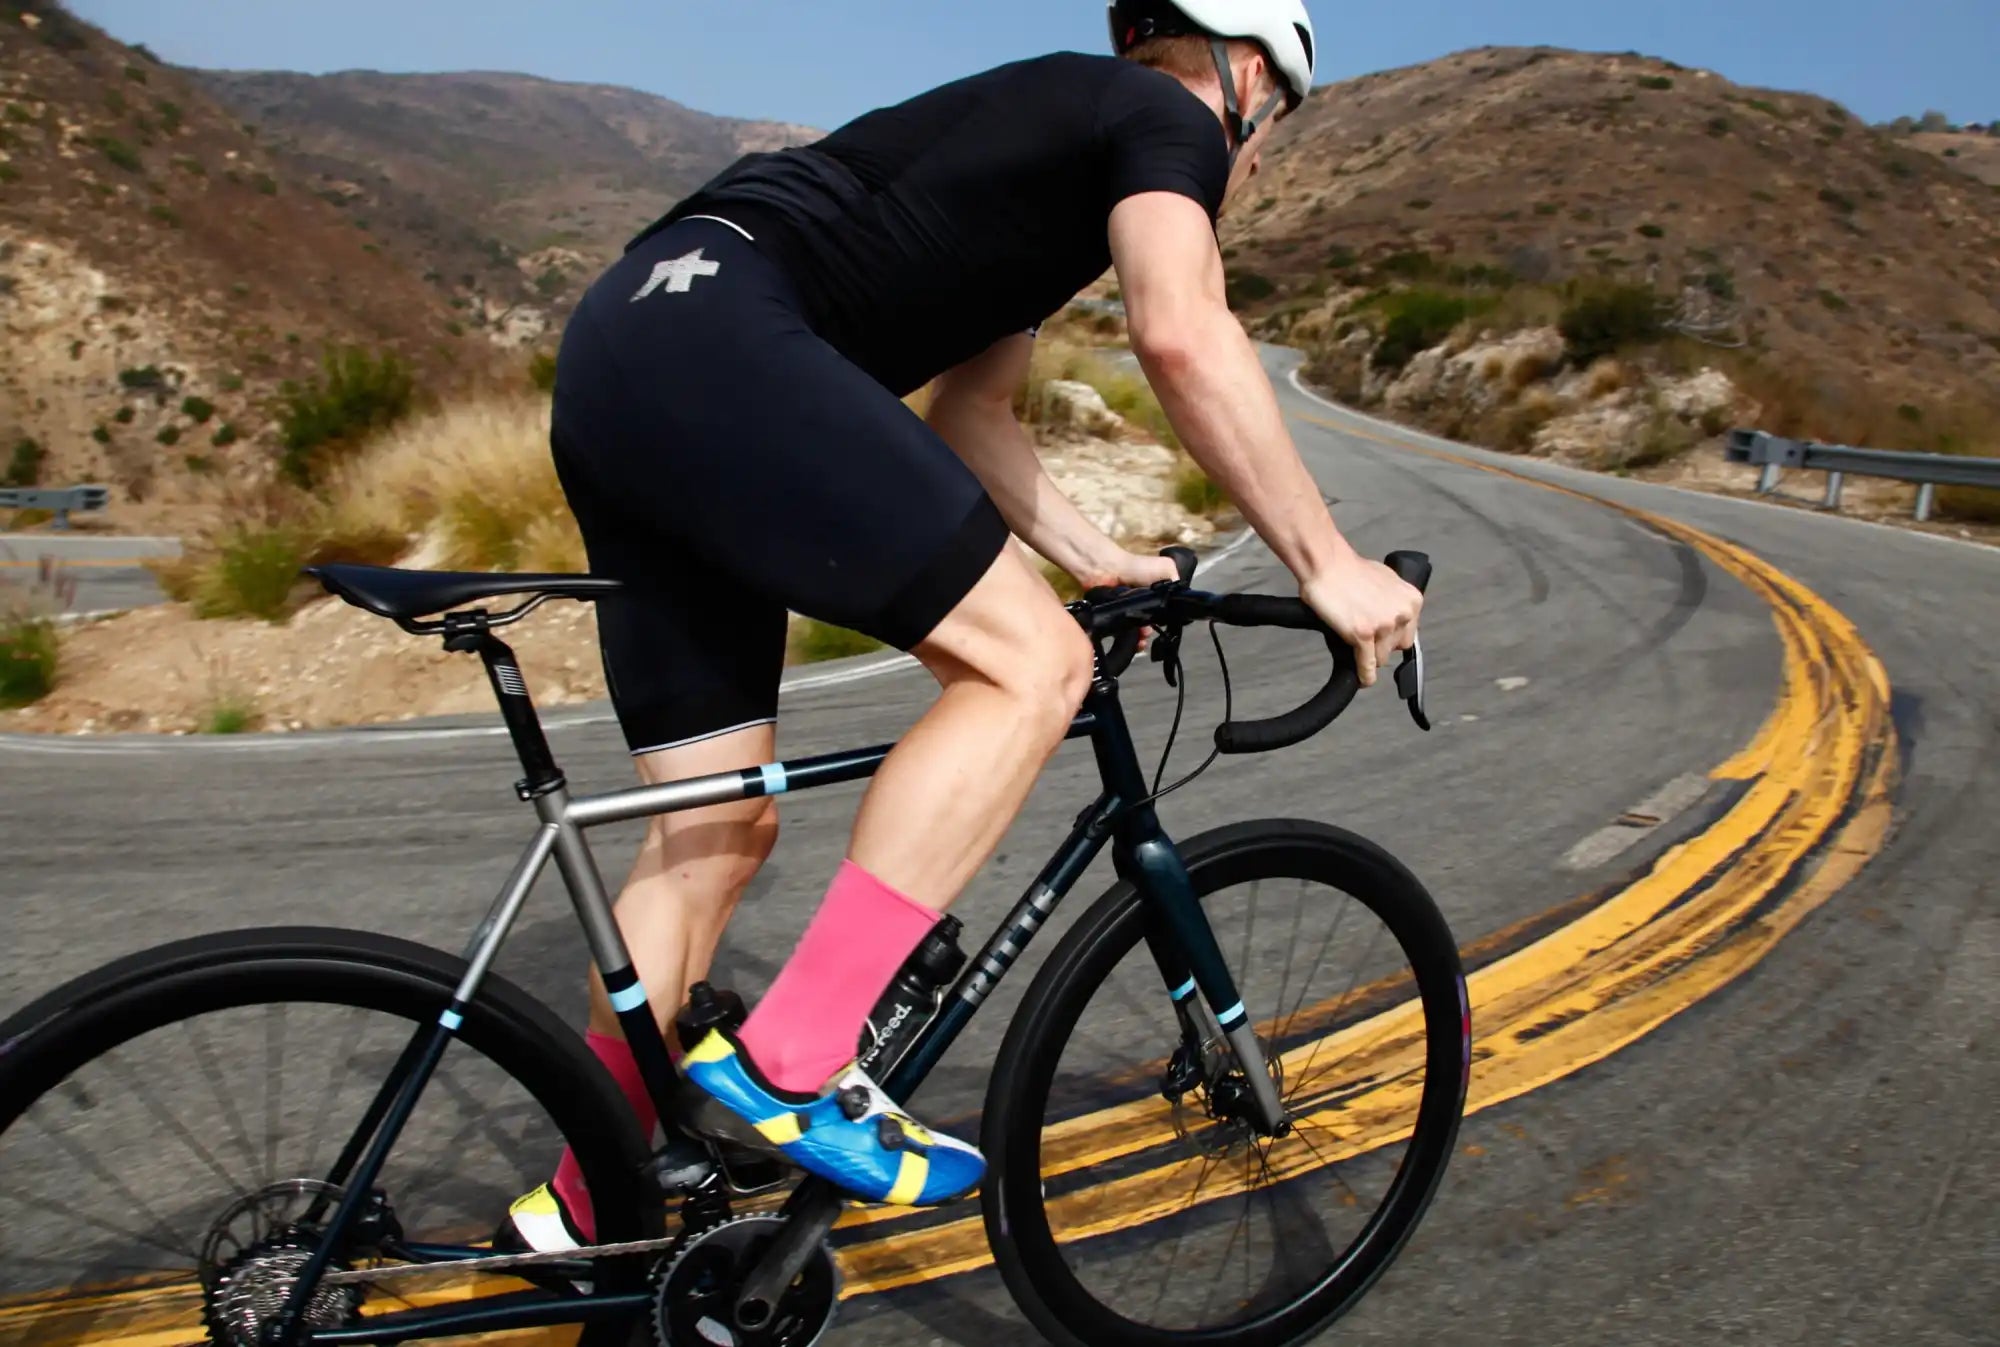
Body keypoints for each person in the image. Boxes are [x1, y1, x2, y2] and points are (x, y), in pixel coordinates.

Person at [503, 0, 1422, 1253]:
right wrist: (1329, 561)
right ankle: (793, 1071)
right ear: (1249, 73)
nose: (1257, 158)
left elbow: (971, 417)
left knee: (712, 824)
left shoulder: (1040, 148)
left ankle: (577, 1206)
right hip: (729, 342)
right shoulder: (1167, 118)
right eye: (1276, 128)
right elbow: (1181, 329)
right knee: (1023, 669)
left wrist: (1102, 563)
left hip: (629, 346)